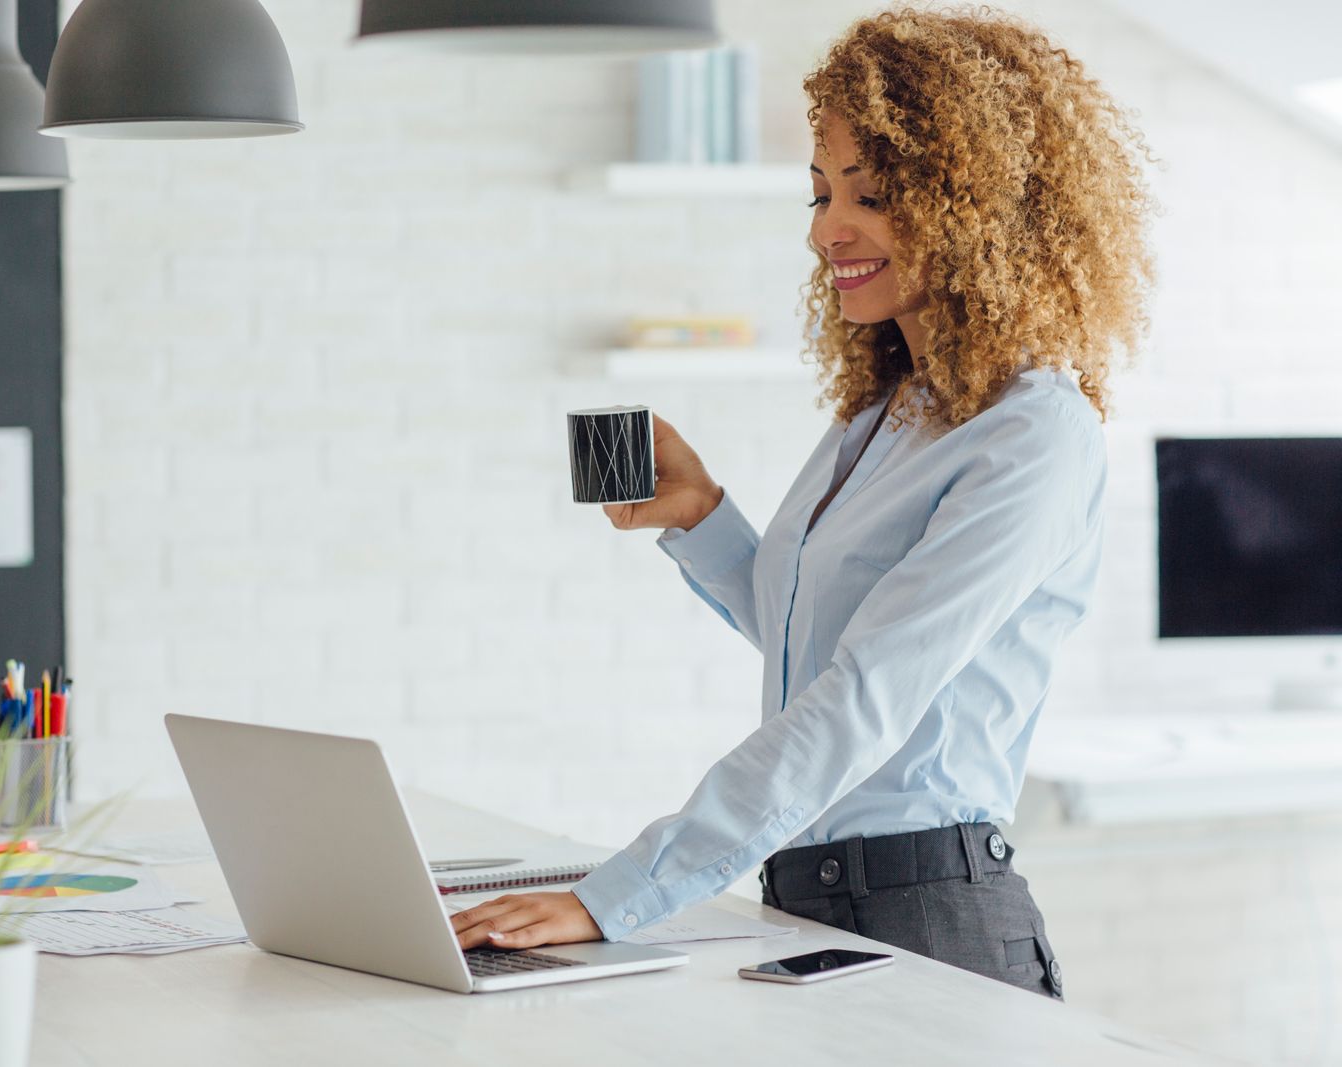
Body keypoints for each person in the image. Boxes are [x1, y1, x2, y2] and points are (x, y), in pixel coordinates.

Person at [452, 6, 1154, 999]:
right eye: (821, 192)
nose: (828, 228)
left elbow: (865, 694)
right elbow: (818, 642)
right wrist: (701, 516)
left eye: (869, 194)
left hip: (933, 912)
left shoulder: (1031, 433)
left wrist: (623, 892)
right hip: (811, 899)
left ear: (977, 203)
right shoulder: (890, 412)